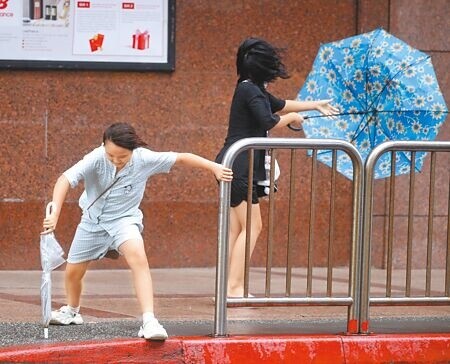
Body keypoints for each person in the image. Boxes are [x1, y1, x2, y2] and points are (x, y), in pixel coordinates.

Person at [42, 122, 233, 340]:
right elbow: (65, 179)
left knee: (138, 258)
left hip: (124, 220)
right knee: (73, 272)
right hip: (92, 222)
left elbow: (182, 157)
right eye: (110, 155)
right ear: (103, 146)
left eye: (121, 157)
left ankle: (149, 321)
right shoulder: (96, 157)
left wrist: (215, 168)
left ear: (133, 149)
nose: (115, 161)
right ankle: (72, 311)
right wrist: (54, 213)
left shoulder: (144, 159)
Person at [215, 37, 338, 298]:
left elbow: (279, 104)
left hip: (234, 163)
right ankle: (234, 289)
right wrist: (293, 119)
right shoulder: (250, 90)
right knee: (253, 227)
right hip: (240, 166)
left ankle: (228, 287)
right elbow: (269, 120)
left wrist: (314, 105)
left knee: (239, 229)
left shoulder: (249, 87)